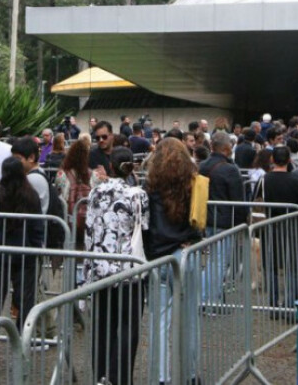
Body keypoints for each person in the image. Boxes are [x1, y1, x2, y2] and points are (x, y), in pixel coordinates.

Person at [84, 148, 147, 385]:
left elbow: (91, 225)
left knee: (102, 326)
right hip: (128, 268)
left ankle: (100, 375)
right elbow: (144, 226)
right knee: (128, 326)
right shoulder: (137, 195)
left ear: (111, 166)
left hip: (100, 267)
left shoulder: (95, 191)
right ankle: (118, 377)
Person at [142, 137, 202, 383]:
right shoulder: (192, 183)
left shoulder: (150, 186)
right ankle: (191, 374)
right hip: (184, 253)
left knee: (159, 321)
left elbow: (146, 225)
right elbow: (199, 219)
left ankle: (161, 377)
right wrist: (192, 238)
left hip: (158, 257)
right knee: (190, 319)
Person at [0, 157, 44, 356]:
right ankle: (22, 339)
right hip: (25, 252)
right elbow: (37, 226)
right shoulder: (31, 195)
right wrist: (37, 249)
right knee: (25, 298)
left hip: (0, 252)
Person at [199, 131, 246, 310]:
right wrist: (242, 223)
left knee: (212, 261)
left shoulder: (202, 166)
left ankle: (207, 297)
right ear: (227, 148)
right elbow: (238, 199)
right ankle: (210, 300)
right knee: (219, 262)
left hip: (207, 218)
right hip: (224, 220)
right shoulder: (230, 169)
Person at [260, 146, 298, 310]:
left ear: (272, 159)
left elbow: (256, 201)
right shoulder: (296, 180)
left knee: (271, 264)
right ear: (289, 160)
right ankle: (291, 301)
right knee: (292, 264)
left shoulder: (264, 179)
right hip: (292, 225)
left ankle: (273, 303)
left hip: (270, 224)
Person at [55, 137, 92, 253]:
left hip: (68, 217)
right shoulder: (92, 175)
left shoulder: (62, 174)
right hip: (86, 218)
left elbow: (59, 192)